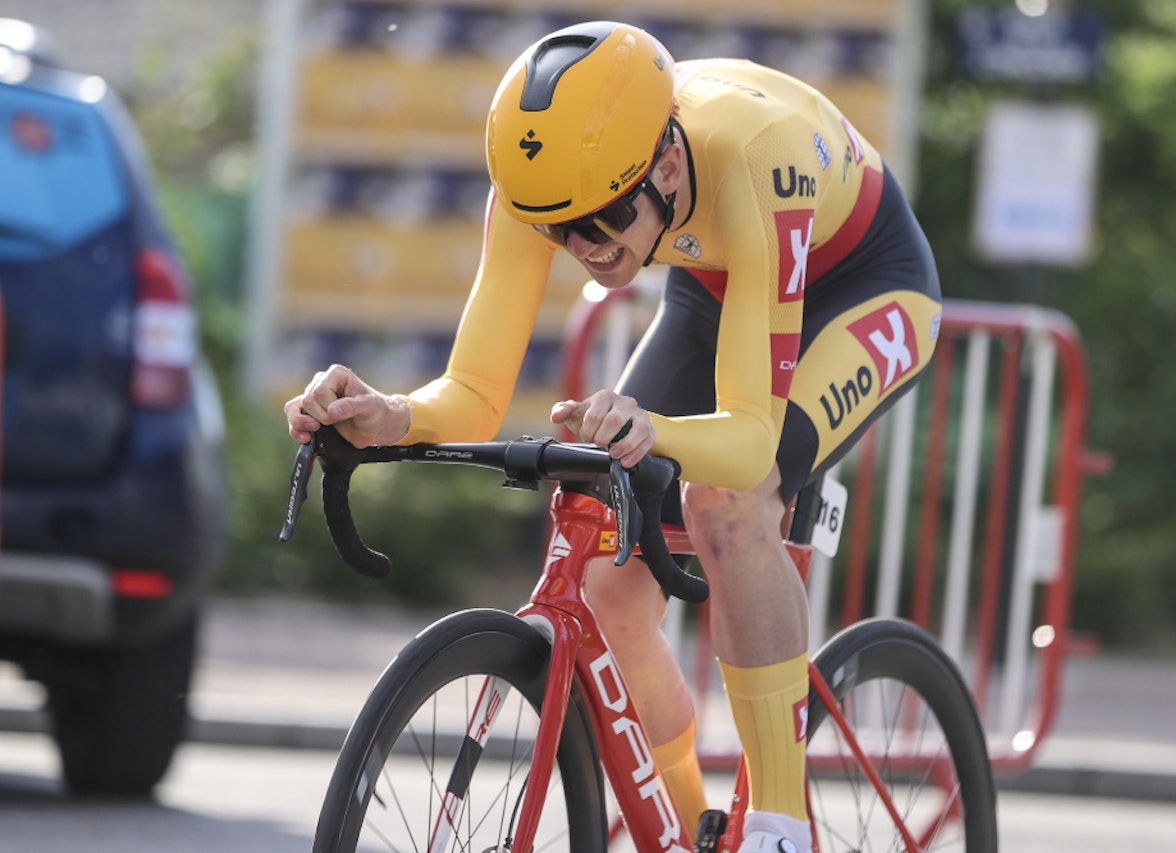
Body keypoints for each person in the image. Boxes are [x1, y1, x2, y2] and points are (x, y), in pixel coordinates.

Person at [286, 20, 941, 853]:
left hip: (863, 285)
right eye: (559, 231)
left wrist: (653, 427)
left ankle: (782, 824)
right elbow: (476, 391)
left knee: (729, 499)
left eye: (601, 221)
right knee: (606, 584)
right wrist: (391, 416)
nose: (583, 247)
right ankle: (683, 828)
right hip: (722, 287)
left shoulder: (746, 154)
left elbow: (745, 441)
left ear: (667, 163)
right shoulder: (550, 180)